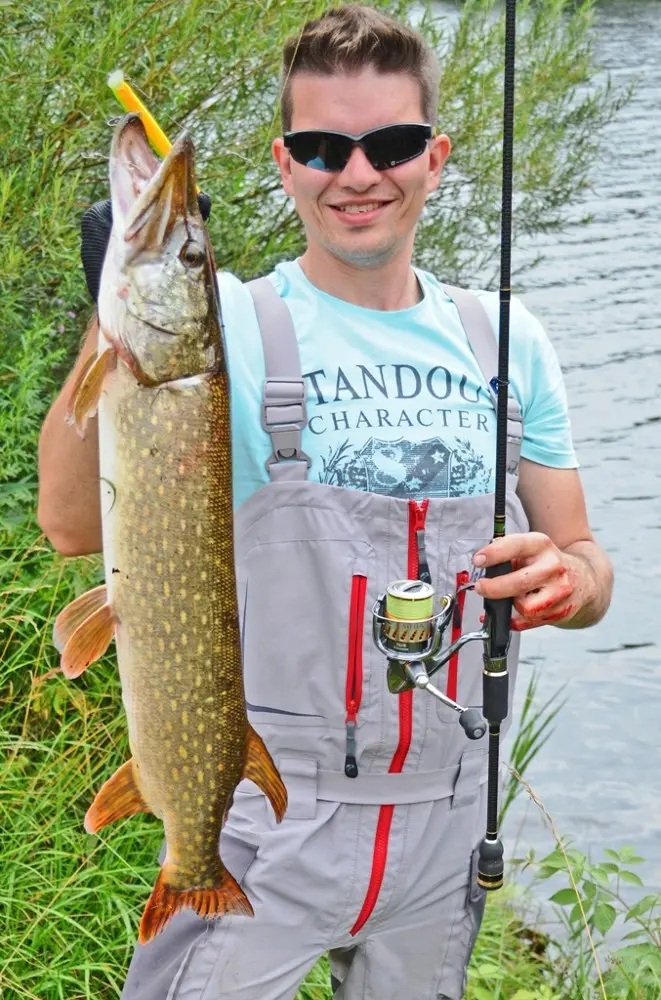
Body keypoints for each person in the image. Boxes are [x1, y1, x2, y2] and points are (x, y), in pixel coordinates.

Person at [37, 5, 613, 999]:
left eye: (387, 144)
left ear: (433, 158)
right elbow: (71, 526)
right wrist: (115, 304)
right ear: (283, 162)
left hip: (443, 821)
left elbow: (589, 564)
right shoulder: (231, 328)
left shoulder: (509, 339)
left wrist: (572, 578)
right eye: (322, 146)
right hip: (268, 818)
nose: (357, 174)